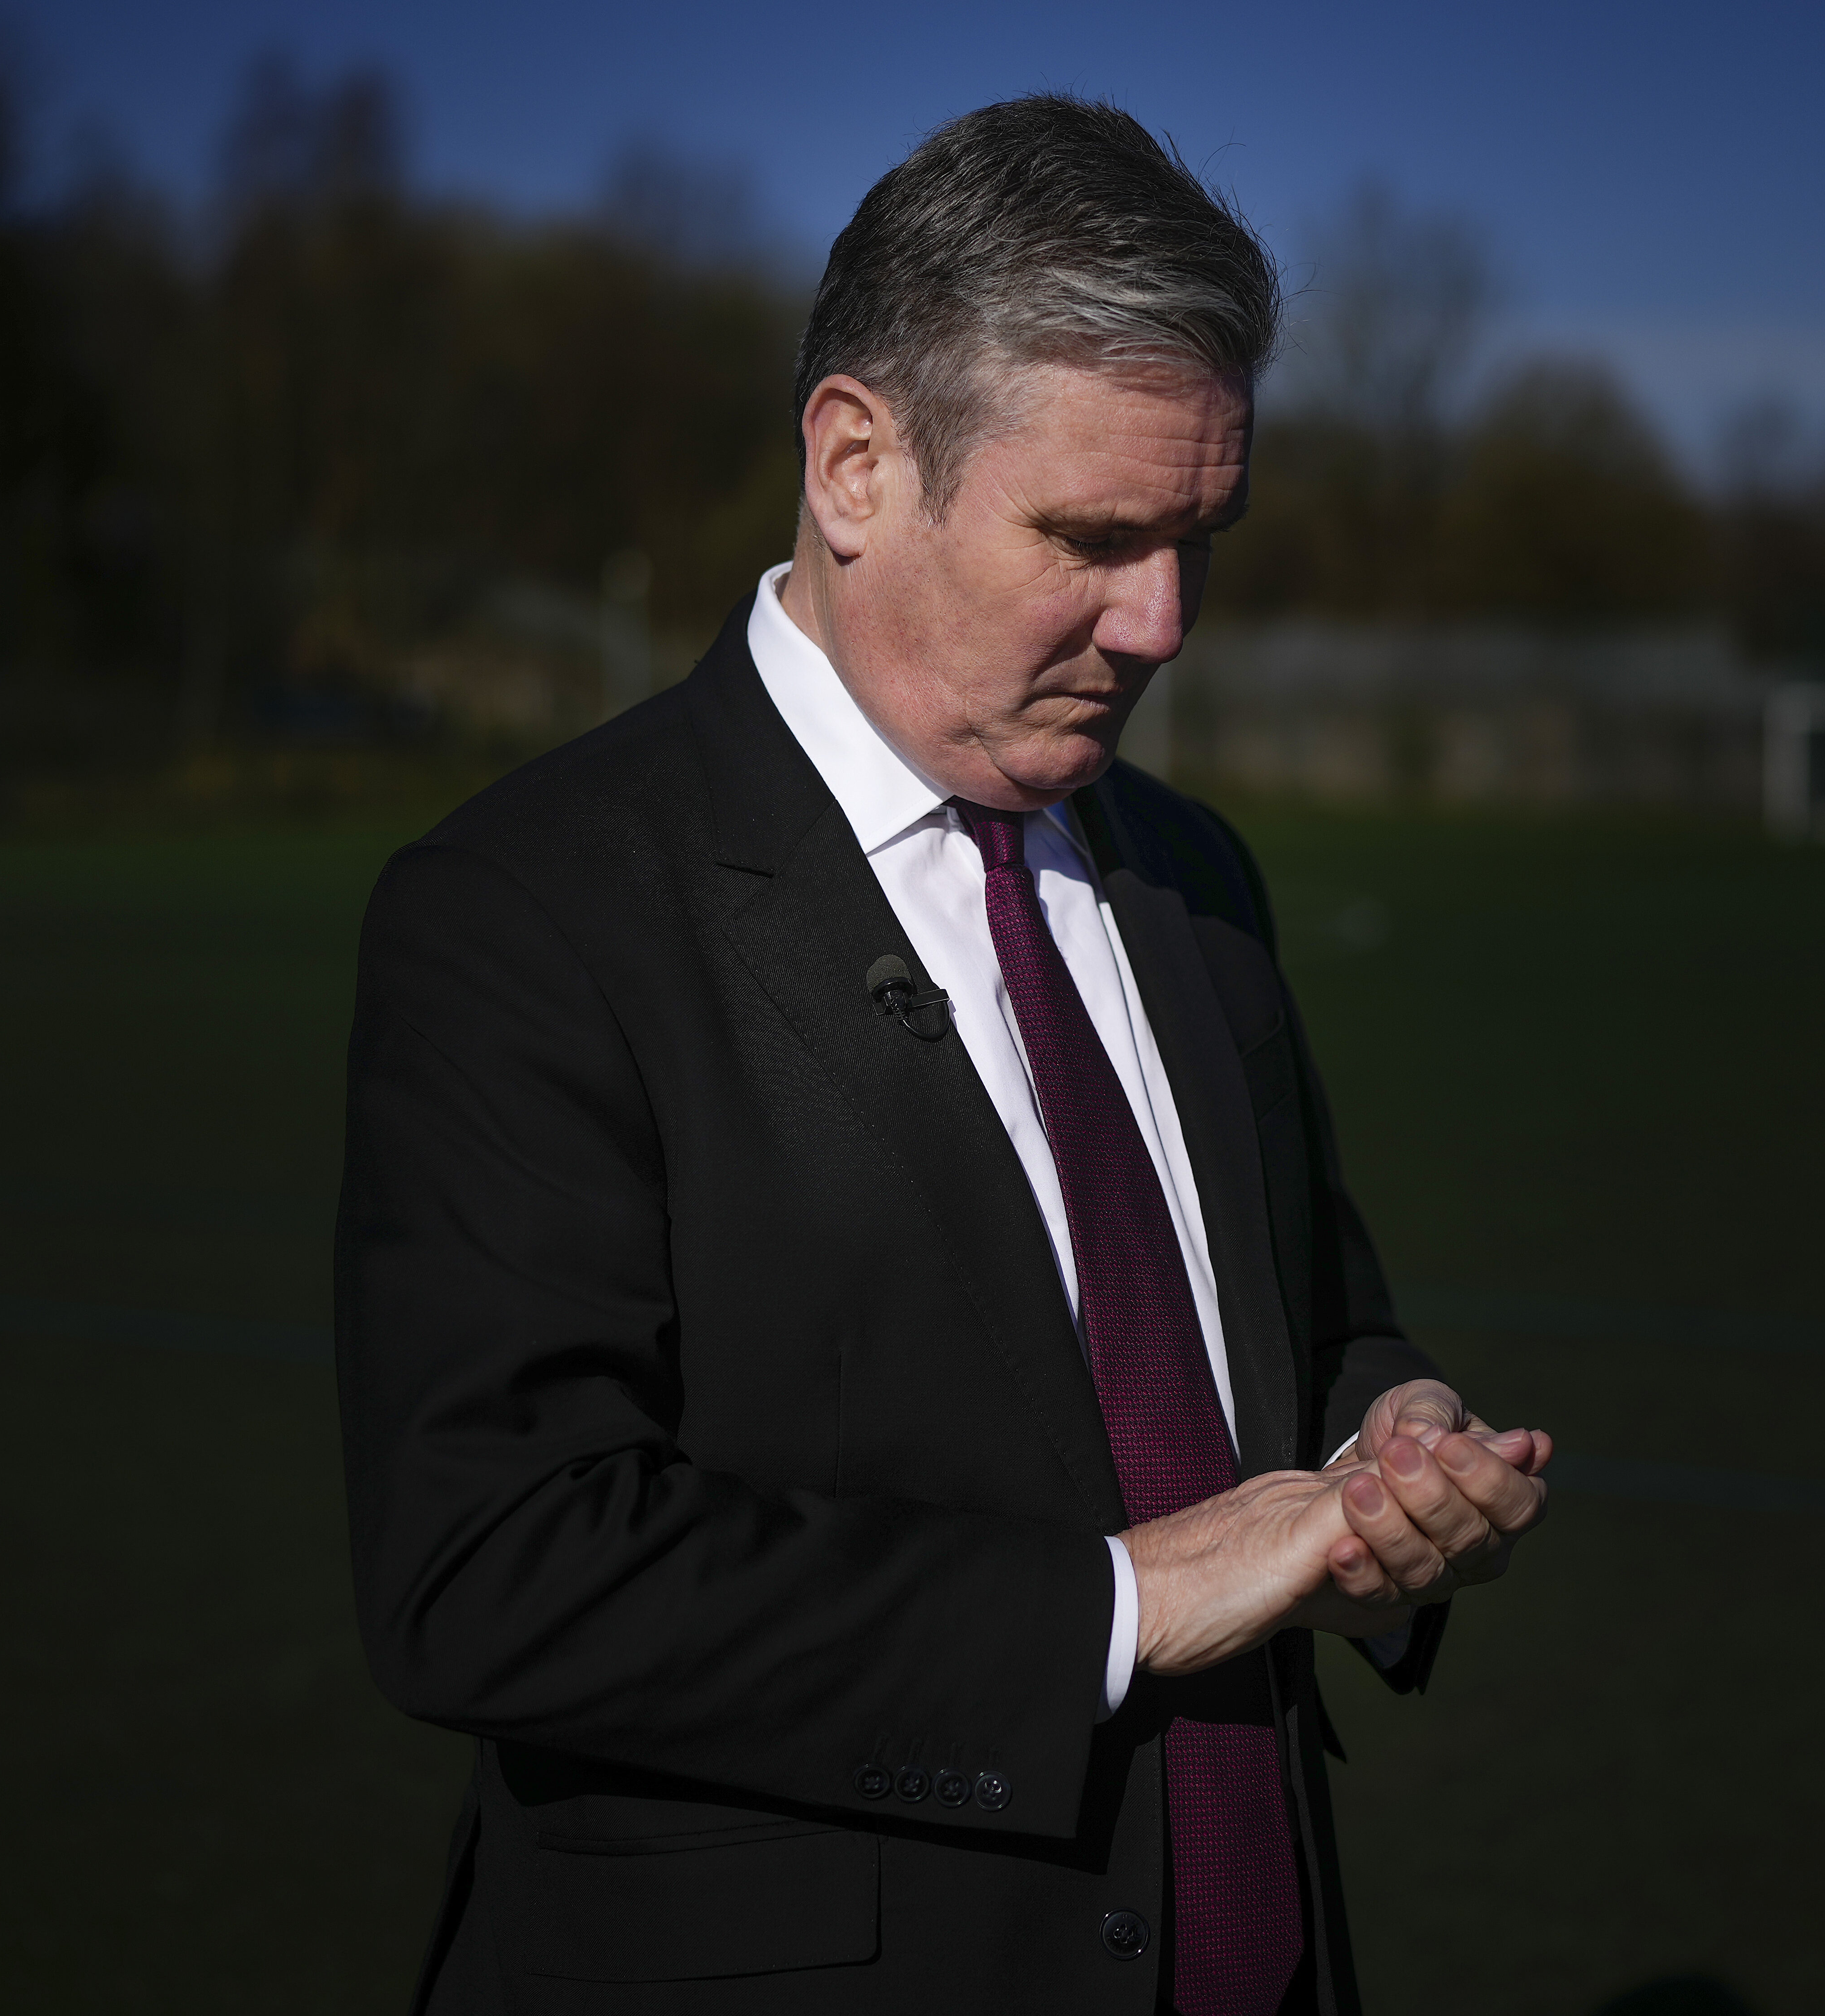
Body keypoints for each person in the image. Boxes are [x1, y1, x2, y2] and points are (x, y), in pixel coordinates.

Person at [335, 94, 1554, 2016]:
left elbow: (1311, 1318)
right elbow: (496, 1569)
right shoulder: (530, 904)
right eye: (1093, 535)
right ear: (853, 464)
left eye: (1200, 540)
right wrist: (1134, 1599)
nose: (1162, 622)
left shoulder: (1193, 872)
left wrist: (1380, 1452)